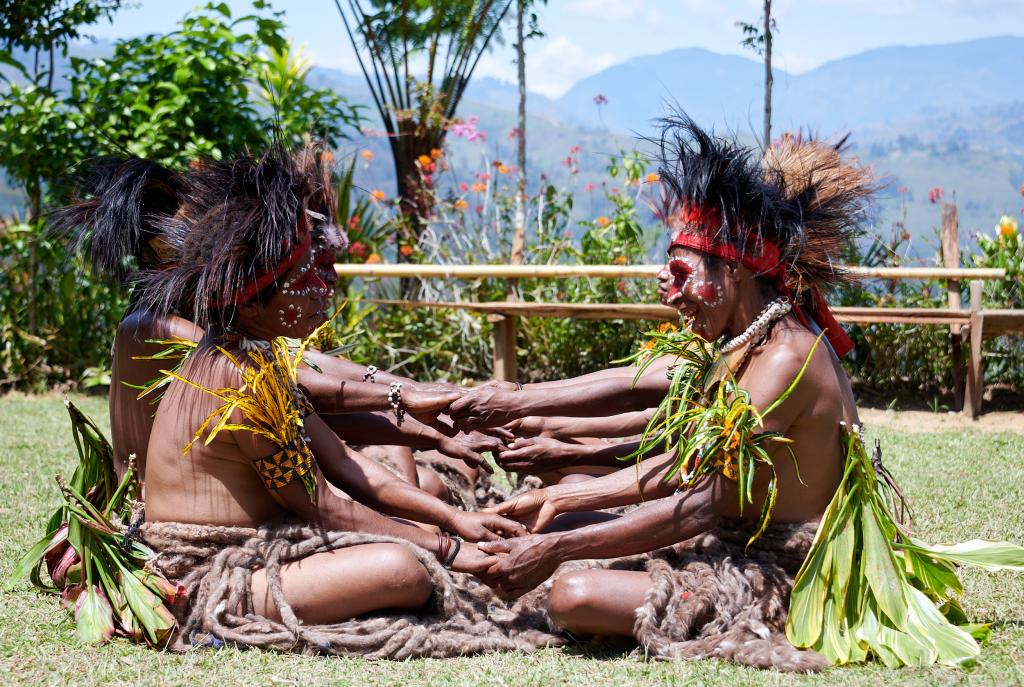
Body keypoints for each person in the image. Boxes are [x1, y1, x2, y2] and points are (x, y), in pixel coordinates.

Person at [477, 117, 1024, 671]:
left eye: (681, 273)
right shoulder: (746, 343)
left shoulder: (787, 356)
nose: (672, 293)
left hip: (782, 570)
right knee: (562, 518)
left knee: (572, 594)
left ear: (734, 269)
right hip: (729, 535)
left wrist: (561, 540)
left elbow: (701, 501)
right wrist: (564, 494)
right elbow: (679, 456)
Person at [52, 152, 499, 494]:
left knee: (418, 469)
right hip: (165, 514)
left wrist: (430, 403)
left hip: (217, 486)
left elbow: (312, 368)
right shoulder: (161, 329)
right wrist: (415, 401)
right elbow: (301, 378)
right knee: (413, 482)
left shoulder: (193, 325)